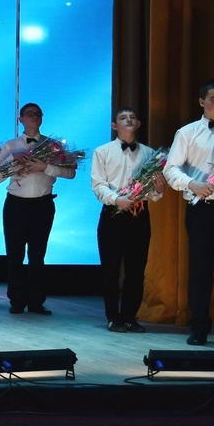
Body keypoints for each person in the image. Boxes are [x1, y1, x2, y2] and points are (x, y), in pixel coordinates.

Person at [164, 80, 214, 346]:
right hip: (202, 210)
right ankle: (199, 328)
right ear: (201, 102)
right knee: (201, 271)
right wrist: (192, 183)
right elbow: (171, 169)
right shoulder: (187, 133)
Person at [0, 102, 77, 315]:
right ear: (20, 119)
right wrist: (13, 158)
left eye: (38, 114)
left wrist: (45, 167)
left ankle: (37, 301)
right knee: (14, 254)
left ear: (42, 118)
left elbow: (70, 173)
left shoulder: (52, 145)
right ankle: (16, 301)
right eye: (29, 114)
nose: (34, 116)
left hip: (43, 204)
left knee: (38, 255)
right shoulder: (11, 145)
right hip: (16, 204)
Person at [91, 107, 166, 333]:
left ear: (138, 123)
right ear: (115, 125)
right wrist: (117, 199)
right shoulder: (102, 152)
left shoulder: (150, 154)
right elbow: (98, 184)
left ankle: (130, 317)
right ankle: (113, 317)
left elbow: (153, 192)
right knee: (111, 269)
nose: (129, 120)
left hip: (140, 215)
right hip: (113, 214)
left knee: (136, 269)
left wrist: (159, 190)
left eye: (132, 117)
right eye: (123, 118)